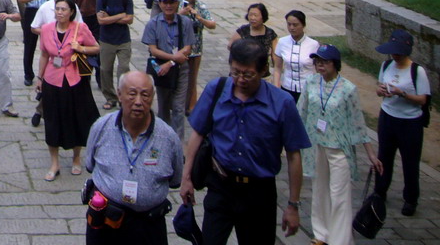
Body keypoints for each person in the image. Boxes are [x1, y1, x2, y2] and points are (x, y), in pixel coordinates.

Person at [180, 38, 311, 245]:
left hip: (259, 193)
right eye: (235, 72)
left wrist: (293, 205)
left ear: (263, 70)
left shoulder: (282, 103)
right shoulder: (216, 90)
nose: (240, 79)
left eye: (248, 74)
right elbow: (197, 134)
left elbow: (294, 155)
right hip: (221, 187)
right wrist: (186, 178)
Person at [83, 71, 183, 244]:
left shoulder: (168, 137)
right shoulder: (101, 127)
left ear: (152, 97)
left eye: (145, 95)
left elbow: (175, 179)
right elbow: (90, 165)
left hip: (149, 226)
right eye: (132, 94)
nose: (138, 102)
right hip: (106, 222)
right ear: (120, 95)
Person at [297, 44, 383, 245]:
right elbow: (300, 112)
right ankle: (321, 234)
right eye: (317, 61)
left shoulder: (348, 88)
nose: (320, 65)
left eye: (324, 62)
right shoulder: (310, 83)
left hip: (339, 149)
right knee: (319, 190)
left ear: (335, 64)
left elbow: (357, 123)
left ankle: (340, 239)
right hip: (316, 145)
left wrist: (370, 153)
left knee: (339, 195)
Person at [36, 0, 100, 179]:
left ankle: (76, 158)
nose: (60, 12)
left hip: (74, 79)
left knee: (76, 118)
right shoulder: (47, 29)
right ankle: (54, 162)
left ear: (71, 11)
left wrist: (81, 48)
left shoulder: (80, 28)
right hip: (52, 79)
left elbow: (96, 48)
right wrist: (39, 78)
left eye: (64, 9)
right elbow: (43, 54)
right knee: (52, 120)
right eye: (57, 9)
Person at [373, 29, 431, 216]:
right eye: (393, 52)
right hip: (388, 117)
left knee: (410, 162)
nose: (395, 55)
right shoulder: (386, 65)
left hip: (410, 123)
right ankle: (380, 191)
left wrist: (402, 93)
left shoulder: (417, 71)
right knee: (384, 157)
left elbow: (423, 99)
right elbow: (378, 87)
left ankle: (410, 198)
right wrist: (381, 91)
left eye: (399, 52)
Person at [142, 0, 195, 140]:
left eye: (171, 2)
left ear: (177, 3)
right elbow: (153, 49)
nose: (169, 6)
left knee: (178, 108)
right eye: (165, 3)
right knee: (163, 106)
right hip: (161, 69)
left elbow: (188, 47)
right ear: (160, 4)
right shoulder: (154, 23)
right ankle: (163, 139)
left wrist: (171, 61)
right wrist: (171, 59)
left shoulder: (184, 22)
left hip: (180, 68)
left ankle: (177, 142)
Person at [29, 0, 71, 127]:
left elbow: (80, 28)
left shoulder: (73, 9)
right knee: (49, 85)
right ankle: (40, 111)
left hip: (68, 56)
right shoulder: (45, 8)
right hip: (50, 54)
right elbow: (34, 27)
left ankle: (49, 112)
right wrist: (48, 33)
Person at [96, 0, 133, 111]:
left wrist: (109, 17)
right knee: (105, 69)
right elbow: (101, 21)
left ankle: (123, 97)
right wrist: (119, 16)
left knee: (124, 68)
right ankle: (110, 97)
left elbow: (129, 19)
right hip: (106, 39)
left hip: (123, 39)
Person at [176, 0, 215, 113]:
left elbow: (212, 24)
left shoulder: (201, 6)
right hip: (180, 45)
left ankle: (191, 106)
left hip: (196, 47)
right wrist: (181, 14)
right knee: (179, 76)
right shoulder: (178, 3)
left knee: (192, 77)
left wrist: (199, 17)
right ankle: (178, 104)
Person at [17, 0, 55, 86]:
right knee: (29, 44)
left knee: (52, 43)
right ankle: (28, 74)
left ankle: (50, 72)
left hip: (48, 11)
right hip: (32, 11)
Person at [272, 10, 318, 102]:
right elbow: (277, 68)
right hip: (287, 88)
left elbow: (318, 69)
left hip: (307, 89)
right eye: (289, 24)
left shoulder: (313, 44)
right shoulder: (281, 42)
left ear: (303, 25)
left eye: (295, 25)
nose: (291, 28)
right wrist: (276, 88)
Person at [228, 3, 277, 79]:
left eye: (255, 15)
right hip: (244, 74)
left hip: (263, 75)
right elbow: (230, 46)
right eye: (250, 15)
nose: (252, 18)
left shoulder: (270, 33)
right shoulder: (243, 31)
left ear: (263, 17)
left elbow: (275, 56)